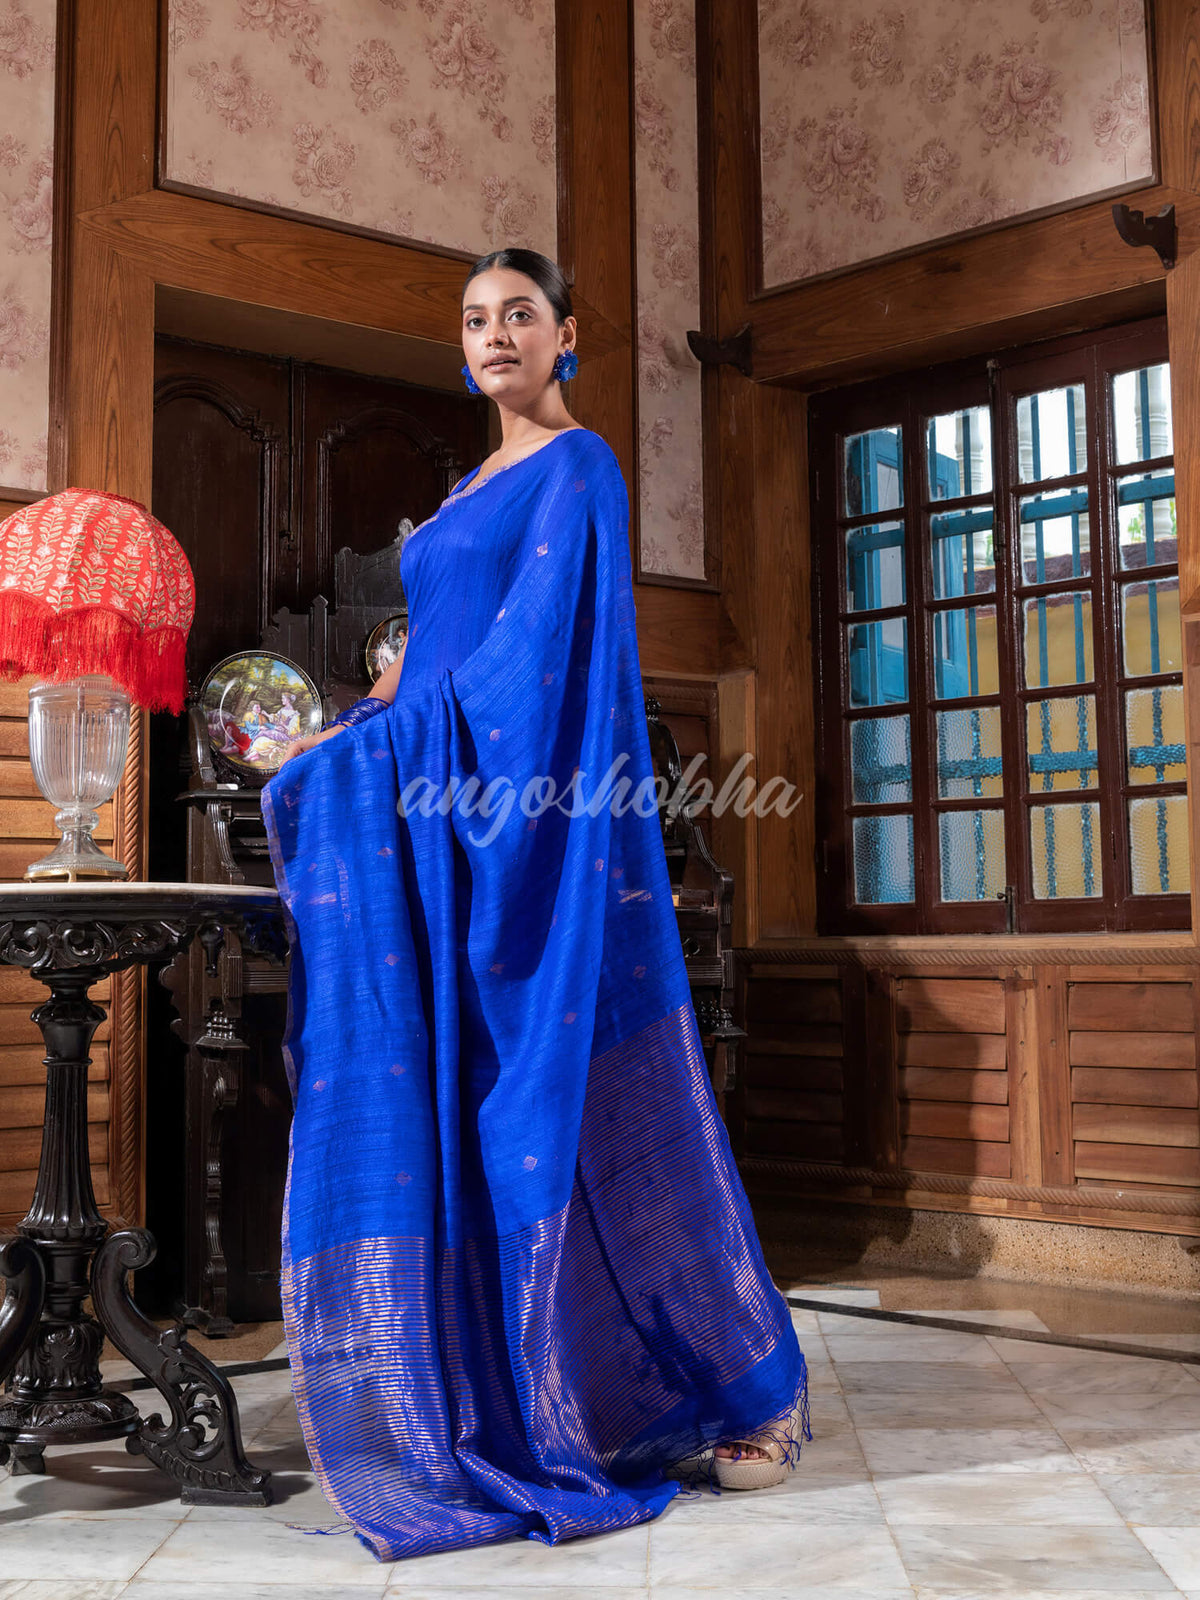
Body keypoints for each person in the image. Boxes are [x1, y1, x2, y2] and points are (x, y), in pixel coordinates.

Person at [261, 246, 807, 1563]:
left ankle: (754, 1386)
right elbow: (431, 661)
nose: (495, 334)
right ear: (462, 351)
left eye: (520, 314)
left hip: (523, 833)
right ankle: (523, 1391)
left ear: (567, 337)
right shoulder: (461, 493)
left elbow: (530, 664)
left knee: (584, 1109)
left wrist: (395, 744)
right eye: (474, 320)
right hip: (433, 841)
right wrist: (361, 728)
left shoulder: (579, 467)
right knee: (466, 1115)